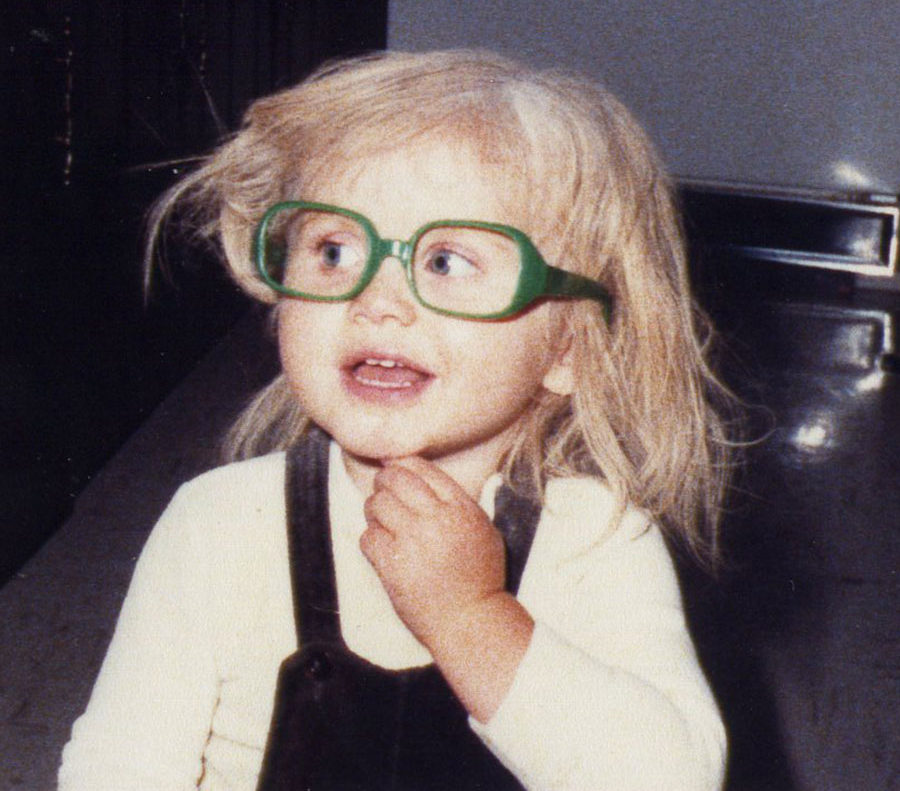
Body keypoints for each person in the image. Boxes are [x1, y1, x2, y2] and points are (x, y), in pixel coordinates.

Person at [59, 48, 733, 791]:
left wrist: (472, 618)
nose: (377, 300)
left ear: (567, 347)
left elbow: (673, 779)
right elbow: (119, 765)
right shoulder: (220, 525)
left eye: (446, 262)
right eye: (335, 250)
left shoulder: (594, 536)